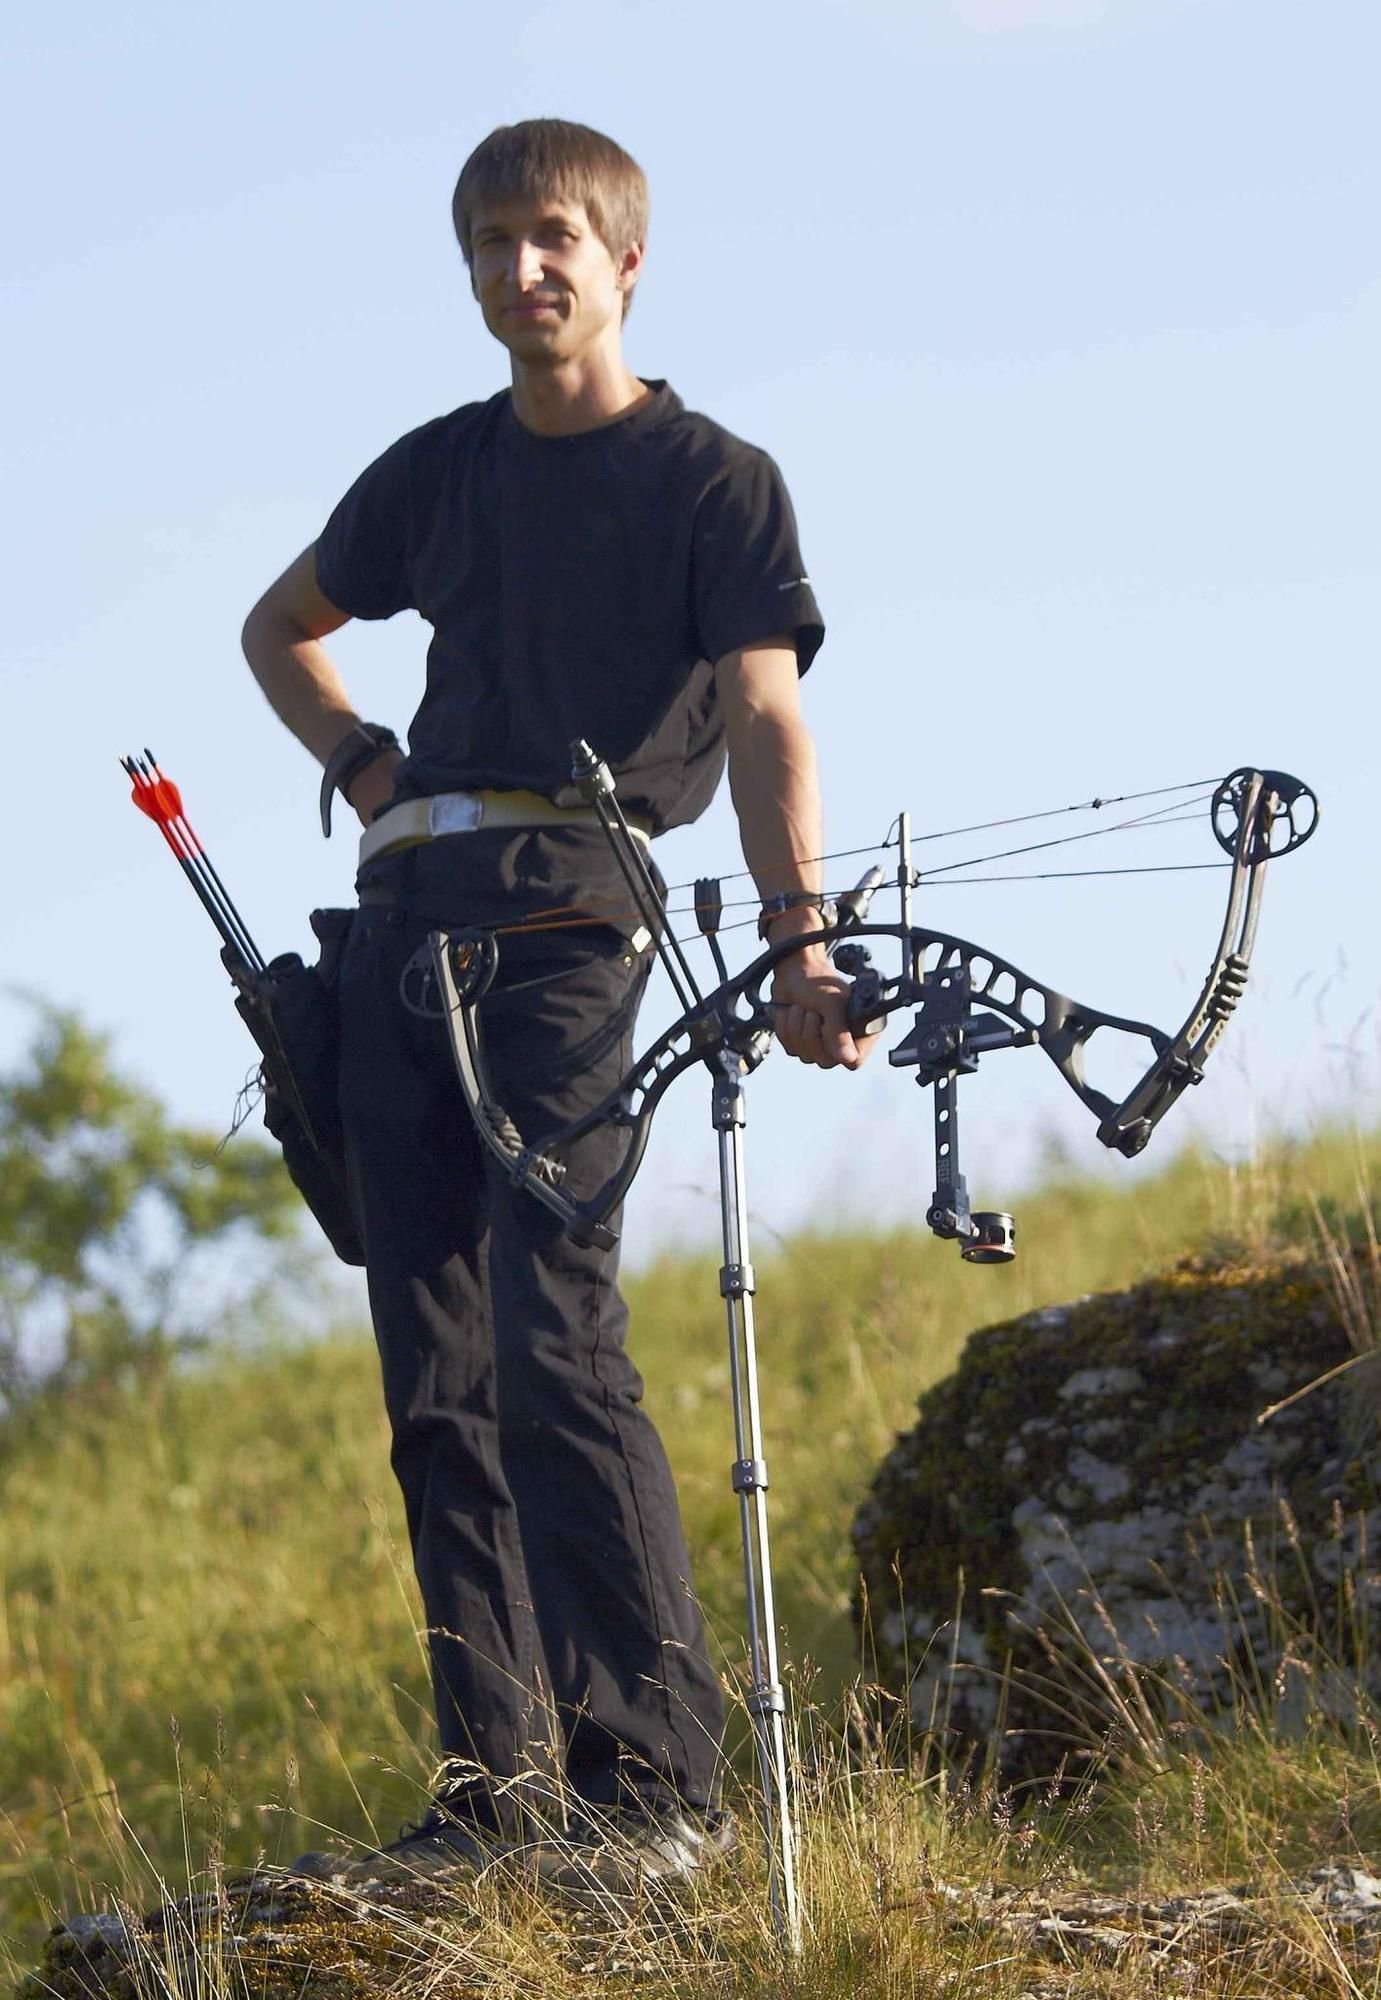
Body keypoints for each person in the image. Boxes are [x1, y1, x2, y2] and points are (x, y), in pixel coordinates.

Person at [241, 118, 869, 1889]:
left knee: (552, 1342)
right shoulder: (437, 469)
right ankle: (496, 1790)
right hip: (396, 934)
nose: (523, 271)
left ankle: (654, 1781)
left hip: (575, 927)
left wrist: (800, 942)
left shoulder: (714, 479)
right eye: (491, 246)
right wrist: (368, 768)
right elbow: (280, 626)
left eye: (552, 239)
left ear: (623, 259)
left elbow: (763, 718)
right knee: (430, 1375)